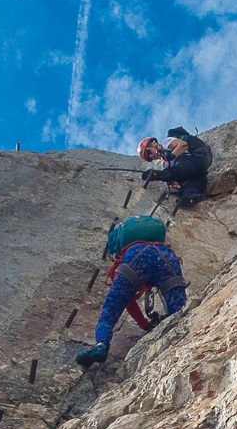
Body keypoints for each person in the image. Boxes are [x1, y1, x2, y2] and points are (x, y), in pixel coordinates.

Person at [76, 219, 188, 367]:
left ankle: (101, 346)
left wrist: (144, 324)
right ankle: (184, 334)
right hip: (167, 257)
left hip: (137, 257)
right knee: (180, 310)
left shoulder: (125, 255)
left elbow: (125, 300)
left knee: (108, 314)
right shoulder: (163, 248)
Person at [138, 126, 212, 204]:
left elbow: (183, 145)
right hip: (199, 169)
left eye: (148, 152)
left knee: (179, 169)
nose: (151, 156)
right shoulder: (165, 164)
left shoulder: (166, 143)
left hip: (196, 158)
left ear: (153, 143)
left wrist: (172, 155)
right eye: (149, 158)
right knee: (192, 183)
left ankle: (158, 175)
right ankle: (190, 196)